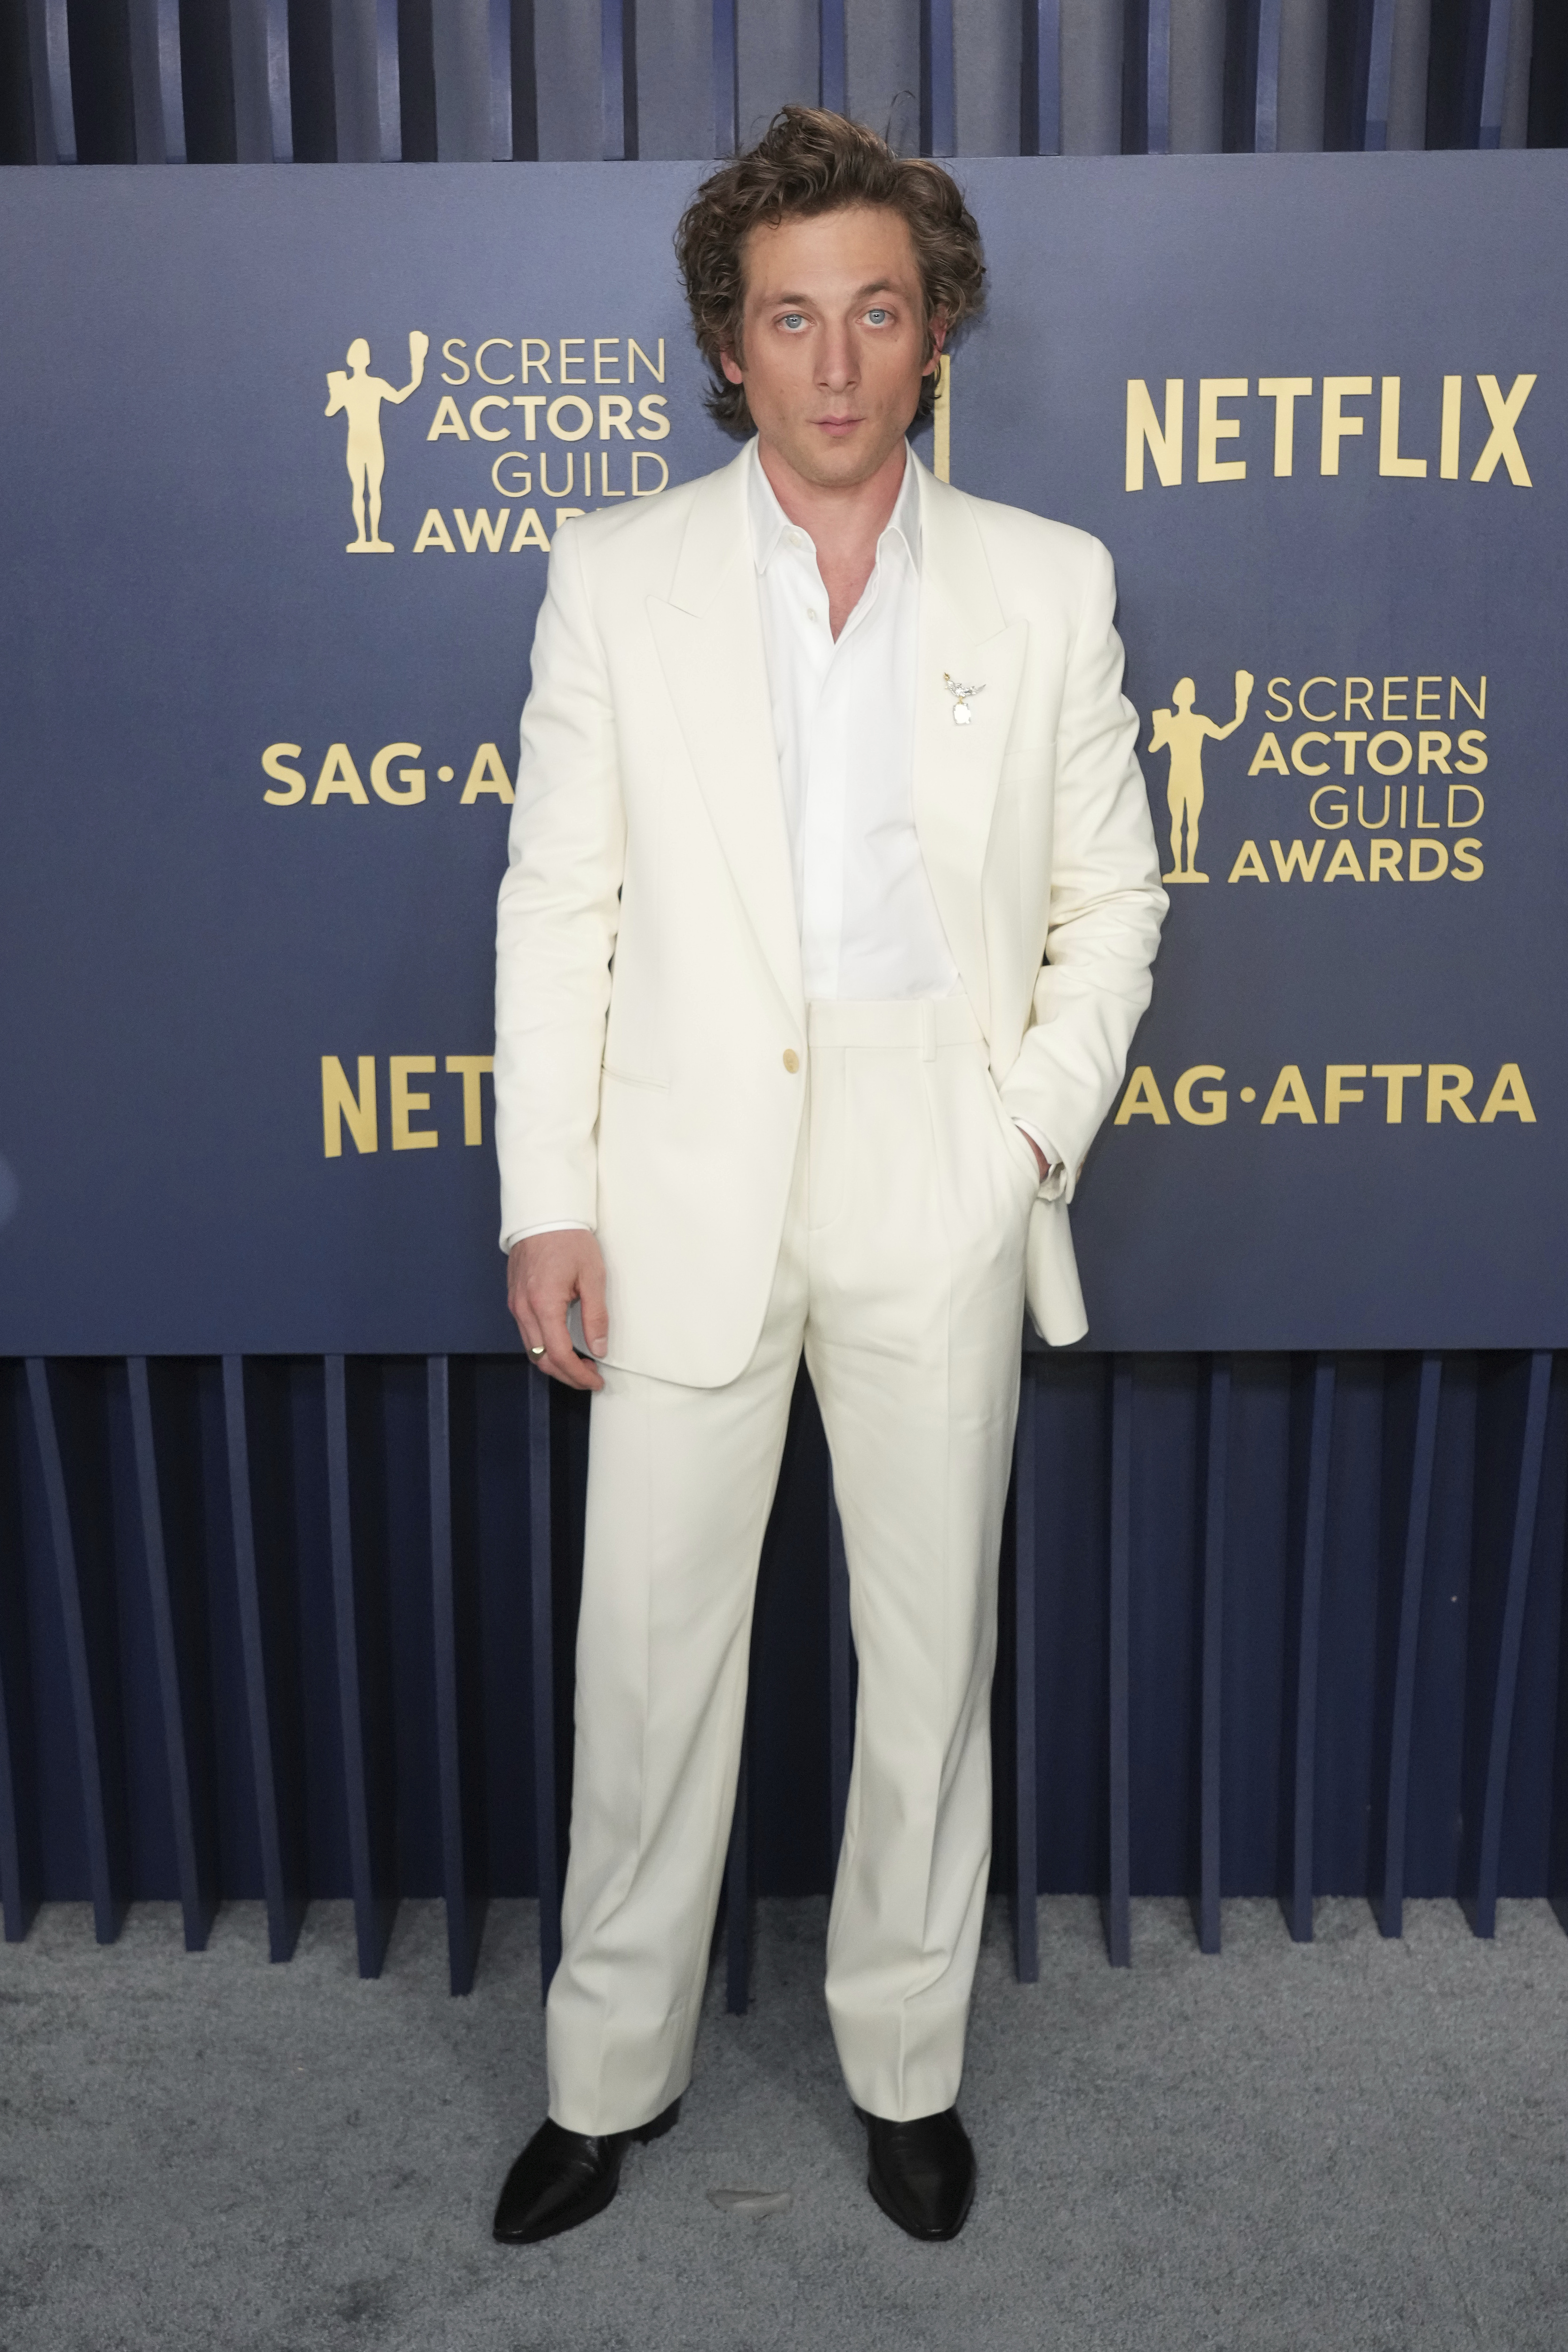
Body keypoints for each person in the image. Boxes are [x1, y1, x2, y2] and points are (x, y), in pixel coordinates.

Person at [489, 107, 1166, 2247]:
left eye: (879, 309)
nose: (840, 358)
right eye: (795, 319)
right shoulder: (613, 575)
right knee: (650, 1663)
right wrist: (547, 1194)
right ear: (731, 343)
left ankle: (906, 2065)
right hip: (681, 1163)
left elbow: (1114, 899)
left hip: (930, 1160)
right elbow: (555, 901)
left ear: (936, 326)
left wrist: (1021, 1133)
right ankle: (606, 2075)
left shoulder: (1051, 583)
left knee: (928, 1650)